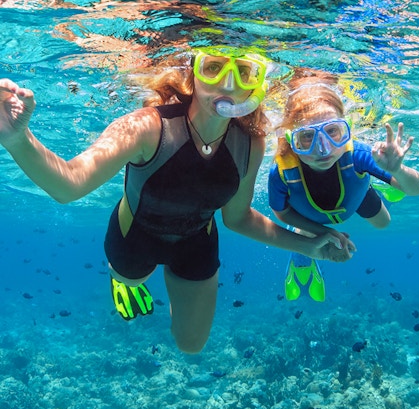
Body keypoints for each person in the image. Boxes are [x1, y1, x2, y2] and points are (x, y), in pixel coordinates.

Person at [0, 47, 350, 354]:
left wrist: (309, 246)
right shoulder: (146, 127)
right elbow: (69, 185)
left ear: (255, 85)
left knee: (191, 345)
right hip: (133, 238)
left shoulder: (251, 144)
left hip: (197, 242)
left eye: (243, 72)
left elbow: (238, 218)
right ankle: (120, 279)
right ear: (192, 74)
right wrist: (18, 139)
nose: (228, 84)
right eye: (213, 67)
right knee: (133, 279)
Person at [268, 70, 419, 302]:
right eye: (307, 137)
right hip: (309, 217)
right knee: (306, 233)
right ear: (292, 140)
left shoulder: (359, 154)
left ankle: (382, 180)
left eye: (333, 132)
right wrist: (325, 233)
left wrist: (397, 170)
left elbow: (416, 189)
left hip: (355, 194)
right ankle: (302, 260)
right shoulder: (281, 172)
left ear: (347, 129)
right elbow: (281, 213)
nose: (323, 149)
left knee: (384, 223)